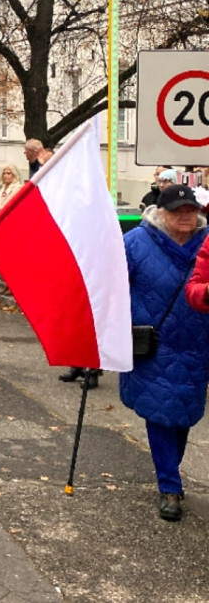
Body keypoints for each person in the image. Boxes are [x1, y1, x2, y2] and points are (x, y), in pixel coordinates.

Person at [118, 184, 209, 522]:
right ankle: (169, 484)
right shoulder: (136, 243)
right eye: (177, 210)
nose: (185, 216)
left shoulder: (207, 242)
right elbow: (111, 285)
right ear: (161, 212)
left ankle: (171, 472)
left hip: (197, 342)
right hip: (152, 344)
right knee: (159, 415)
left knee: (183, 415)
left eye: (190, 210)